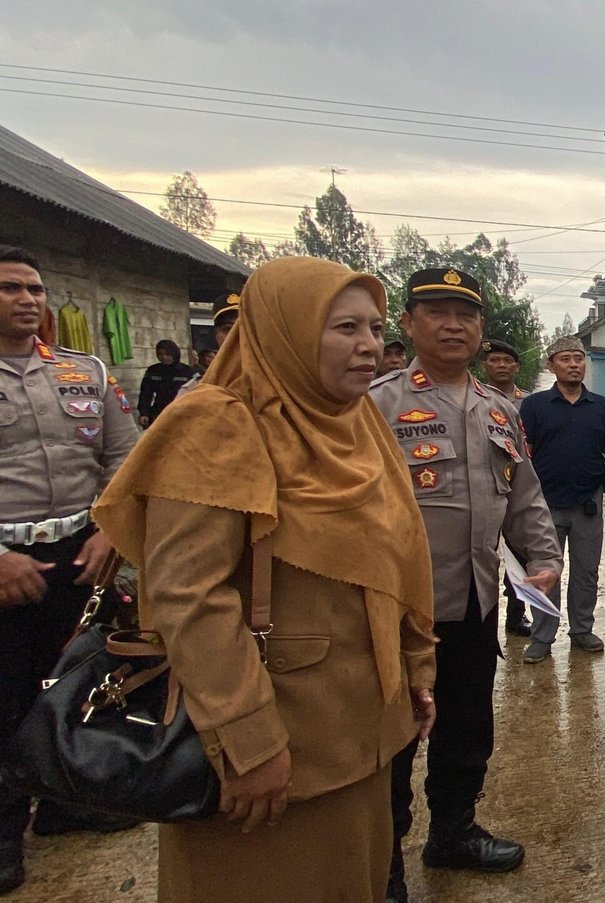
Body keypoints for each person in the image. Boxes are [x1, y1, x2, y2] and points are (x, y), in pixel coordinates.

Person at [91, 256, 437, 902]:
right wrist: (251, 743)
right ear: (287, 331)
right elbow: (187, 596)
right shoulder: (219, 426)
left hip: (359, 744)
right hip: (269, 756)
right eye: (344, 328)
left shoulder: (358, 425)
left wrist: (414, 668)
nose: (368, 345)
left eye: (374, 327)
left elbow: (396, 558)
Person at [371, 267, 562, 902]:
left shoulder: (500, 410)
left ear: (480, 329)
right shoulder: (377, 407)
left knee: (466, 730)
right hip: (397, 613)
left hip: (476, 604)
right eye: (438, 311)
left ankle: (451, 831)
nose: (454, 324)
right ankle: (383, 864)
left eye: (467, 314)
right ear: (408, 323)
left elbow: (525, 498)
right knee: (391, 744)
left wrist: (544, 558)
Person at [0, 244, 141, 894]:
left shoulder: (83, 371)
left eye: (33, 288)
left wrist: (111, 527)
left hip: (80, 554)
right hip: (4, 557)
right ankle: (4, 835)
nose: (26, 300)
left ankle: (63, 802)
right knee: (4, 697)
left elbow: (124, 454)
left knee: (76, 684)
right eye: (9, 289)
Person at [517, 335, 605, 663]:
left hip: (587, 503)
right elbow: (522, 452)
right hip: (543, 504)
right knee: (544, 571)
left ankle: (582, 629)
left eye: (578, 358)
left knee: (586, 572)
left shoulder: (601, 407)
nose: (574, 364)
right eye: (565, 359)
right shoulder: (534, 406)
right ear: (551, 365)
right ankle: (542, 636)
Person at [480, 338, 532, 637]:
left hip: (515, 487)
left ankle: (516, 613)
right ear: (485, 366)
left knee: (519, 553)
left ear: (516, 367)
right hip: (484, 487)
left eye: (507, 361)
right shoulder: (474, 398)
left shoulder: (529, 403)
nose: (501, 366)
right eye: (494, 361)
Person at [177, 293, 240, 399]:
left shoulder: (273, 382)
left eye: (242, 326)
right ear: (217, 336)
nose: (236, 335)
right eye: (227, 329)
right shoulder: (194, 392)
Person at [137, 338, 195, 426]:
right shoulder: (153, 370)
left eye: (168, 354)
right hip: (159, 412)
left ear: (174, 354)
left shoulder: (187, 371)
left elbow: (196, 394)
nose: (164, 357)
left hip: (183, 412)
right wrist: (144, 413)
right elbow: (145, 393)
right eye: (160, 354)